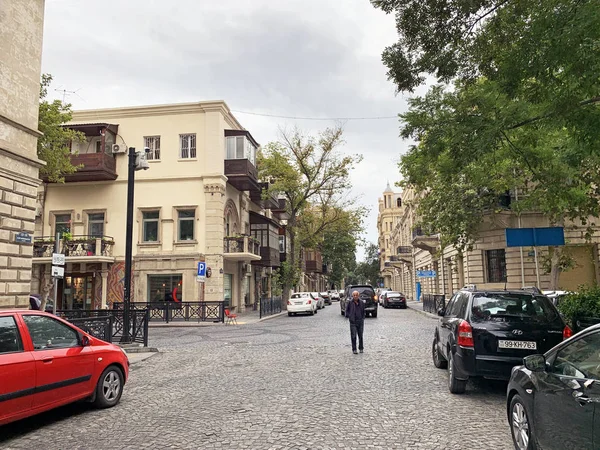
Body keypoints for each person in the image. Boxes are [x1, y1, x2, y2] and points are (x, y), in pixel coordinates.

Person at [345, 290, 366, 354]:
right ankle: (354, 349)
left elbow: (363, 311)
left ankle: (361, 348)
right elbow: (347, 310)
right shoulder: (350, 302)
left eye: (356, 295)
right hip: (353, 322)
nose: (355, 296)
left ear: (358, 296)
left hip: (360, 321)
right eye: (354, 295)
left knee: (360, 335)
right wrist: (350, 316)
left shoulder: (361, 302)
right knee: (353, 336)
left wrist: (362, 317)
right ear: (352, 296)